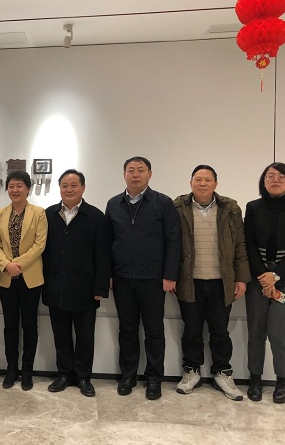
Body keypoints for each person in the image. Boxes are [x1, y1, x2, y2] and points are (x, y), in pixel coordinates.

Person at [105, 156, 181, 400]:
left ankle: (154, 378)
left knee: (154, 331)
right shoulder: (113, 204)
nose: (135, 174)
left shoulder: (163, 203)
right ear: (124, 175)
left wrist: (170, 275)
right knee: (127, 330)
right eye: (131, 170)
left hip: (153, 279)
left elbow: (173, 241)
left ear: (150, 174)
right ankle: (128, 376)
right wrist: (108, 274)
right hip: (122, 278)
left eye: (140, 170)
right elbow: (107, 242)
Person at [173, 165, 251, 400]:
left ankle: (222, 372)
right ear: (191, 183)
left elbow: (240, 245)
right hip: (189, 281)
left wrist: (241, 278)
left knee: (220, 331)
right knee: (192, 330)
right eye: (198, 179)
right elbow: (169, 244)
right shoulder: (177, 207)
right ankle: (191, 371)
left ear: (216, 184)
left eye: (208, 179)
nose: (203, 183)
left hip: (221, 281)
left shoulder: (230, 208)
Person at [244, 162, 285, 404]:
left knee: (281, 333)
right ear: (263, 181)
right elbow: (248, 244)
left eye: (282, 176)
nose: (276, 180)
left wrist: (276, 275)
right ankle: (255, 379)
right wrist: (264, 276)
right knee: (256, 331)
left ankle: (283, 379)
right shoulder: (253, 207)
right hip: (258, 279)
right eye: (270, 176)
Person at [42, 169, 110, 397]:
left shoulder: (96, 216)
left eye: (74, 185)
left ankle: (83, 377)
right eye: (65, 185)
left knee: (85, 337)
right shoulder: (49, 215)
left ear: (83, 188)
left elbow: (103, 254)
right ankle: (64, 374)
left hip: (85, 288)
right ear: (59, 188)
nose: (69, 189)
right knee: (60, 335)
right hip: (56, 286)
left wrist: (100, 287)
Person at [0, 171, 47, 391]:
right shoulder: (0, 213)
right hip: (6, 278)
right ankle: (11, 369)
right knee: (10, 325)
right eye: (11, 186)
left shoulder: (39, 213)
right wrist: (6, 265)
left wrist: (17, 264)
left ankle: (27, 371)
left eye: (19, 186)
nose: (15, 190)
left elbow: (39, 245)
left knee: (30, 325)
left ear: (28, 189)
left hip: (30, 278)